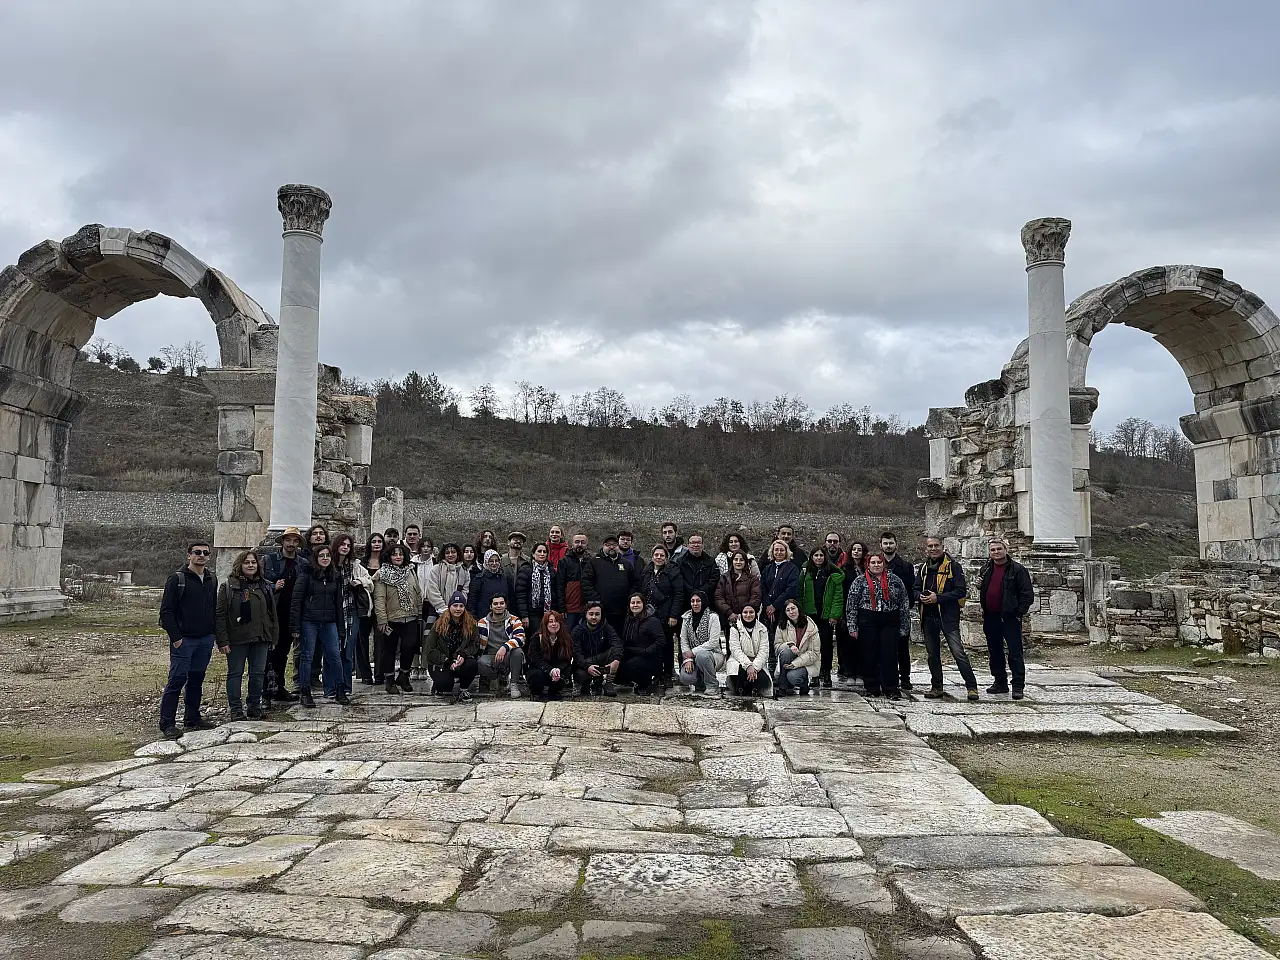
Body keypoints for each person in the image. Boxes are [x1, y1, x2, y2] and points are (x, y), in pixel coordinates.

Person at [158, 540, 220, 738]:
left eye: (205, 553)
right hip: (185, 640)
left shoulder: (212, 579)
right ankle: (167, 723)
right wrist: (177, 639)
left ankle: (192, 718)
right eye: (197, 552)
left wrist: (215, 634)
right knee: (176, 680)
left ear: (209, 556)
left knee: (196, 679)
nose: (201, 555)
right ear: (189, 555)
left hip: (205, 639)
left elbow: (213, 607)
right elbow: (166, 612)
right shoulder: (177, 579)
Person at [916, 536, 980, 701]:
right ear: (926, 549)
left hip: (948, 617)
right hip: (928, 617)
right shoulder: (923, 568)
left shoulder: (954, 567)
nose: (933, 548)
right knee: (932, 655)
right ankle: (936, 687)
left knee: (958, 652)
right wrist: (920, 596)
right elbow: (915, 589)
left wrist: (938, 598)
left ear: (942, 547)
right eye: (930, 546)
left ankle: (972, 687)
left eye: (936, 545)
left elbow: (960, 591)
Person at [215, 549, 276, 721]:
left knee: (257, 674)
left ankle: (254, 706)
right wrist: (222, 640)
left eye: (253, 562)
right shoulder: (228, 587)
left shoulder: (264, 585)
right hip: (237, 638)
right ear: (240, 565)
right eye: (247, 562)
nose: (250, 565)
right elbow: (220, 615)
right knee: (235, 673)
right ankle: (236, 710)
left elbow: (272, 612)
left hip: (261, 637)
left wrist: (272, 635)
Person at [846, 553, 912, 699]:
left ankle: (891, 688)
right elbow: (851, 605)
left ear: (884, 564)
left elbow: (904, 603)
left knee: (889, 655)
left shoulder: (895, 580)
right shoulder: (860, 581)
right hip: (868, 621)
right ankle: (872, 687)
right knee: (869, 655)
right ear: (868, 565)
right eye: (873, 563)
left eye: (879, 562)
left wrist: (904, 626)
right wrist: (852, 626)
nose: (876, 565)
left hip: (889, 621)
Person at [290, 545, 348, 708]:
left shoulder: (334, 576)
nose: (325, 558)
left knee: (335, 656)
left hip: (329, 622)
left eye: (328, 555)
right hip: (309, 621)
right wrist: (295, 627)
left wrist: (341, 628)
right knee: (306, 657)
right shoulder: (306, 575)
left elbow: (338, 604)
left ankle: (339, 689)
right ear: (315, 558)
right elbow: (296, 601)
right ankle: (305, 692)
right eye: (321, 555)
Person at [978, 538, 1034, 699]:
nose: (996, 552)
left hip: (1010, 617)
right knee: (995, 651)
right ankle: (1000, 682)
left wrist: (1018, 613)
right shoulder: (986, 569)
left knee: (1015, 652)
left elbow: (1027, 594)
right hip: (990, 616)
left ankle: (1017, 686)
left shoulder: (1018, 570)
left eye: (998, 549)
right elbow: (984, 587)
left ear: (1006, 550)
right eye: (993, 550)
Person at [262, 527, 307, 702]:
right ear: (282, 541)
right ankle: (266, 691)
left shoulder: (302, 563)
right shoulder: (269, 560)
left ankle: (279, 687)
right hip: (272, 612)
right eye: (288, 540)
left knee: (283, 652)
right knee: (269, 653)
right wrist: (274, 586)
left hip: (292, 613)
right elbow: (258, 581)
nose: (291, 544)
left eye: (295, 541)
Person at [374, 543, 423, 694]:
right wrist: (382, 619)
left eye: (400, 554)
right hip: (391, 619)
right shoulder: (382, 574)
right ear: (389, 556)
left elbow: (417, 591)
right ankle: (389, 680)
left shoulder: (410, 571)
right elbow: (379, 598)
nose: (398, 557)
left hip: (411, 617)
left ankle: (404, 675)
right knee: (388, 650)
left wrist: (419, 612)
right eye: (394, 554)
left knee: (409, 647)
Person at [799, 547, 846, 688]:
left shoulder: (832, 573)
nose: (818, 558)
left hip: (826, 615)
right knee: (811, 646)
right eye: (816, 555)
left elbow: (838, 596)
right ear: (811, 557)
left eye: (821, 555)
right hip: (810, 614)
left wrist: (834, 615)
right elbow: (800, 592)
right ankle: (814, 674)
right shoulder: (805, 572)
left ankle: (825, 672)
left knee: (826, 645)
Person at [332, 533, 372, 697]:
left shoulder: (355, 565)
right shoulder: (330, 563)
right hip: (332, 613)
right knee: (334, 652)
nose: (345, 548)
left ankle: (346, 686)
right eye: (342, 544)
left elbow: (370, 581)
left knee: (348, 651)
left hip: (351, 611)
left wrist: (360, 582)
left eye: (348, 545)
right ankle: (332, 687)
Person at [424, 592, 480, 703]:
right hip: (442, 662)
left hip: (459, 661)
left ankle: (463, 690)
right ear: (449, 607)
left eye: (461, 606)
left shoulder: (471, 624)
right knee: (445, 685)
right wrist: (447, 661)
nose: (458, 609)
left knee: (472, 664)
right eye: (455, 605)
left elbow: (475, 643)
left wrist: (464, 654)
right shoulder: (438, 625)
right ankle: (439, 684)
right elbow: (430, 649)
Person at [880, 529, 918, 691]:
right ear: (880, 545)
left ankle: (905, 677)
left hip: (900, 613)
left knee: (902, 647)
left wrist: (906, 607)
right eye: (885, 543)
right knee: (882, 647)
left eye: (891, 543)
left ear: (896, 545)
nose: (888, 546)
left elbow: (911, 588)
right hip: (880, 612)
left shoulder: (906, 566)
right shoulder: (875, 564)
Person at [640, 544, 683, 684]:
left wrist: (673, 615)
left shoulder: (673, 572)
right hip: (649, 614)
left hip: (666, 614)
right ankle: (656, 671)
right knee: (652, 643)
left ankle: (668, 671)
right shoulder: (646, 571)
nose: (659, 558)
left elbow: (678, 594)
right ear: (652, 556)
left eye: (662, 555)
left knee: (667, 644)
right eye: (656, 555)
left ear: (666, 558)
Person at [582, 535, 640, 638]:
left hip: (622, 610)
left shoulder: (626, 563)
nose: (611, 547)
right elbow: (586, 583)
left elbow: (634, 583)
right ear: (603, 546)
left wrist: (630, 599)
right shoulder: (594, 562)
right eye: (608, 545)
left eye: (614, 545)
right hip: (602, 610)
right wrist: (596, 600)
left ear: (618, 546)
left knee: (620, 638)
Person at [477, 594, 527, 698]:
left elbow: (521, 638)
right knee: (480, 662)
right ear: (491, 606)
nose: (498, 606)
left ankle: (513, 683)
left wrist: (505, 647)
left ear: (505, 605)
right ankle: (494, 678)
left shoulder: (514, 620)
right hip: (491, 656)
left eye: (501, 603)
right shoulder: (482, 623)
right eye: (495, 604)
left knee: (517, 652)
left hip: (508, 655)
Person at [760, 539, 800, 670]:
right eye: (776, 550)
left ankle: (785, 669)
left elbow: (791, 589)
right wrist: (767, 605)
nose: (779, 552)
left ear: (786, 552)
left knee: (784, 640)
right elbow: (763, 588)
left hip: (783, 610)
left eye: (782, 550)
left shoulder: (792, 569)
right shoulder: (768, 568)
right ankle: (771, 667)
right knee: (769, 640)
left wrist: (775, 605)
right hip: (768, 611)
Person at [676, 591, 725, 696]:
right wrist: (688, 659)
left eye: (698, 601)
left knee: (702, 656)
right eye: (692, 601)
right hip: (692, 656)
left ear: (704, 602)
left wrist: (693, 652)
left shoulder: (713, 617)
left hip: (712, 654)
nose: (695, 604)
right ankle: (700, 683)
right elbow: (683, 639)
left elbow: (713, 642)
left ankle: (712, 685)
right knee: (686, 677)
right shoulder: (687, 617)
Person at [617, 592, 665, 694]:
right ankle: (628, 680)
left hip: (650, 657)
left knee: (629, 666)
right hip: (633, 653)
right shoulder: (628, 620)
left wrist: (647, 651)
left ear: (643, 604)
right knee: (617, 664)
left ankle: (647, 683)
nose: (635, 605)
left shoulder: (652, 621)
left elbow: (661, 641)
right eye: (632, 603)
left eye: (638, 602)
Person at [571, 600, 622, 696]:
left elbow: (617, 642)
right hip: (584, 662)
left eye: (597, 614)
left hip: (600, 659)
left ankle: (609, 683)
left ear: (601, 615)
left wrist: (616, 659)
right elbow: (576, 653)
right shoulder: (577, 631)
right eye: (591, 614)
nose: (594, 617)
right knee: (581, 675)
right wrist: (587, 667)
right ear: (586, 615)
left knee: (615, 651)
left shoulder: (607, 627)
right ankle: (580, 683)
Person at [835, 541, 868, 684]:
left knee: (862, 642)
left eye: (859, 550)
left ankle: (860, 672)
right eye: (854, 549)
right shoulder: (844, 568)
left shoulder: (867, 568)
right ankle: (848, 672)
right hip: (847, 609)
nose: (856, 552)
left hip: (864, 609)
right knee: (847, 642)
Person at [354, 533, 385, 685]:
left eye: (379, 541)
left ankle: (380, 674)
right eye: (374, 541)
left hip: (381, 605)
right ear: (369, 544)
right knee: (361, 639)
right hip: (364, 604)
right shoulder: (362, 563)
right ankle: (365, 674)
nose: (377, 544)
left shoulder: (386, 562)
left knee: (381, 640)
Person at [774, 598, 820, 696]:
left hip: (807, 662)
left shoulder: (811, 626)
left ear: (798, 608)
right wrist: (789, 645)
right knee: (786, 652)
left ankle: (804, 684)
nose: (791, 612)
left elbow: (814, 653)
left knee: (792, 676)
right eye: (788, 610)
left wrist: (795, 664)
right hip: (788, 660)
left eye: (793, 608)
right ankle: (782, 687)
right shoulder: (781, 626)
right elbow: (777, 647)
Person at [517, 542, 560, 642]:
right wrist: (524, 615)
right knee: (535, 639)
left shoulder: (551, 570)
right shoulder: (526, 570)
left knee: (549, 639)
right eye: (539, 551)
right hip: (532, 613)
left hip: (549, 612)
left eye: (544, 552)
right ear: (533, 554)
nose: (542, 554)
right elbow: (520, 594)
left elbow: (556, 591)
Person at [726, 603, 772, 697]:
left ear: (756, 613)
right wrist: (748, 665)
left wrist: (754, 667)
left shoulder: (762, 629)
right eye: (745, 612)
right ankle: (741, 688)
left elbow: (764, 651)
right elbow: (735, 650)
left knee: (763, 680)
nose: (748, 615)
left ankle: (754, 688)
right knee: (738, 673)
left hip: (756, 661)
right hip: (739, 660)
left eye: (751, 612)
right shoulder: (734, 629)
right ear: (741, 614)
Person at [526, 610, 573, 701]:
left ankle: (554, 691)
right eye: (550, 622)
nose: (554, 624)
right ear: (545, 624)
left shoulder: (566, 638)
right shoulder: (537, 638)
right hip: (541, 669)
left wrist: (558, 669)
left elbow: (567, 658)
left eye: (556, 621)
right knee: (536, 675)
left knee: (566, 670)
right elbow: (535, 659)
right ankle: (537, 692)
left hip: (557, 669)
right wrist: (550, 670)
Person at [714, 550, 761, 628]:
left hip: (748, 618)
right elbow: (718, 597)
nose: (738, 562)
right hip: (729, 619)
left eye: (741, 560)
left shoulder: (752, 579)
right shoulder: (725, 578)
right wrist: (729, 613)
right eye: (736, 559)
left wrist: (744, 613)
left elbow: (756, 597)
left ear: (745, 562)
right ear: (732, 561)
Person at [426, 543, 471, 622]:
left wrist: (456, 607)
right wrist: (443, 609)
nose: (450, 555)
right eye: (447, 553)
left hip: (457, 612)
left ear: (458, 554)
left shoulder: (464, 571)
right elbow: (432, 590)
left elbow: (465, 591)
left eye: (453, 552)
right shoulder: (436, 569)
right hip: (437, 611)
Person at [677, 535, 719, 616]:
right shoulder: (680, 562)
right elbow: (679, 579)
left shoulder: (711, 561)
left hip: (706, 601)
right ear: (687, 545)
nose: (696, 545)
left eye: (698, 543)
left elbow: (714, 579)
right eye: (692, 543)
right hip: (686, 602)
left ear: (703, 545)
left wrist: (700, 593)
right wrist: (692, 592)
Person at [559, 533, 591, 632]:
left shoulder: (592, 561)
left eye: (582, 542)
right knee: (568, 635)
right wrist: (561, 608)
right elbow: (559, 585)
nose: (580, 544)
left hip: (587, 607)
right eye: (577, 542)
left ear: (586, 545)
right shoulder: (564, 561)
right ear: (572, 544)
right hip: (570, 608)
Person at [467, 550, 512, 619]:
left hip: (503, 618)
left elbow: (511, 599)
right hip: (484, 619)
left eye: (496, 561)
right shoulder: (479, 579)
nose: (494, 563)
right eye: (491, 561)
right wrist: (474, 619)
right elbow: (472, 602)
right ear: (486, 562)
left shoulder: (505, 578)